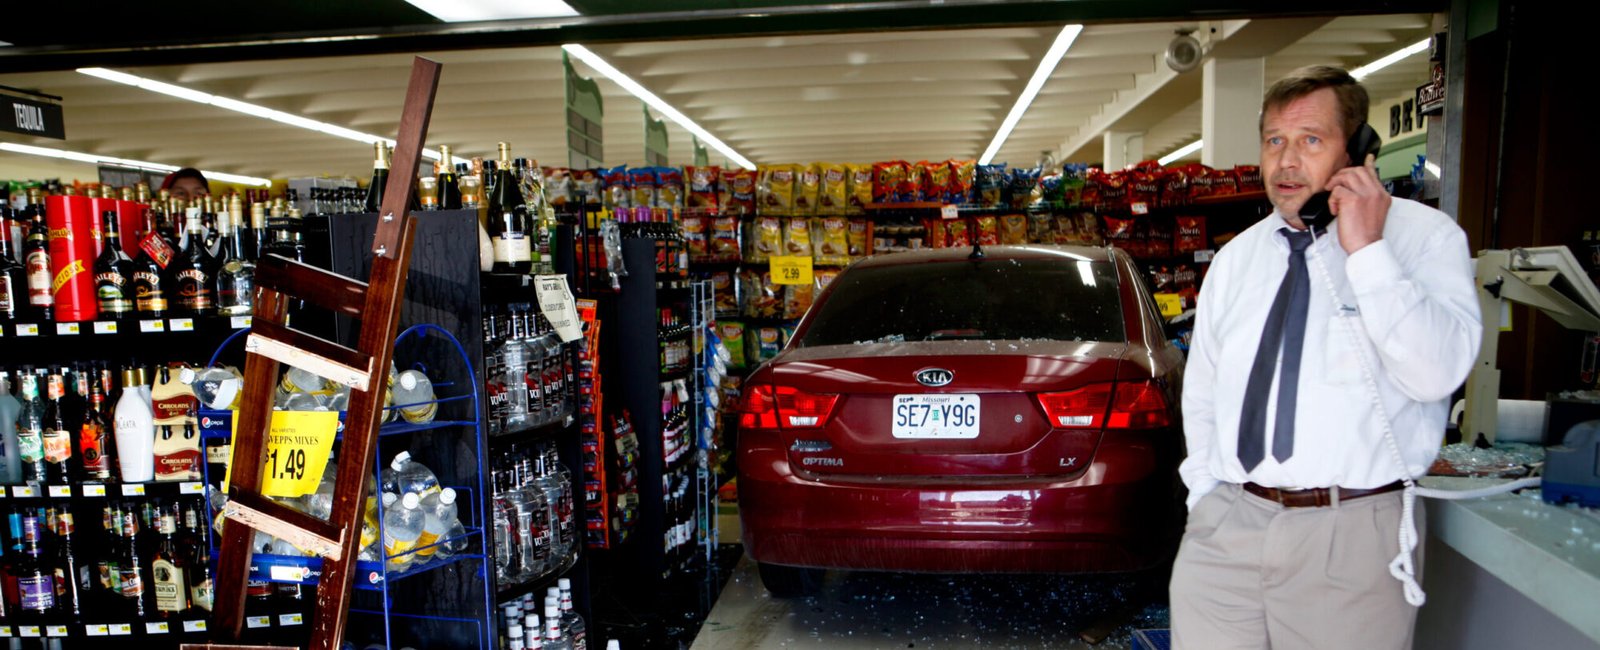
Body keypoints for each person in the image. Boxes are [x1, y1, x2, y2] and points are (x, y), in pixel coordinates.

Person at [1169, 65, 1482, 649]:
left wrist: (1367, 251)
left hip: (1352, 533)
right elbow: (1205, 391)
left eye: (1311, 140)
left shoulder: (1425, 240)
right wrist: (1205, 497)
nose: (1287, 162)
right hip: (1227, 529)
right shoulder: (1237, 259)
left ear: (1358, 149)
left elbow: (1436, 372)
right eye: (1275, 141)